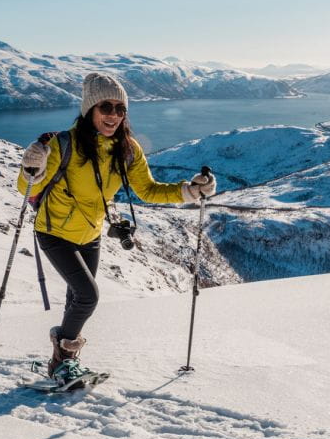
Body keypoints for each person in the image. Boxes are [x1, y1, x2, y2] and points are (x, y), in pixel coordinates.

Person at [18, 73, 215, 382]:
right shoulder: (62, 145)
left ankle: (60, 362)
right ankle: (64, 355)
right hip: (54, 231)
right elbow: (27, 187)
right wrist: (32, 165)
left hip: (91, 234)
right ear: (89, 110)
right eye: (105, 107)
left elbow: (148, 190)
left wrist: (190, 191)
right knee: (88, 296)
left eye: (120, 109)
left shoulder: (128, 149)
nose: (113, 115)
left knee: (76, 297)